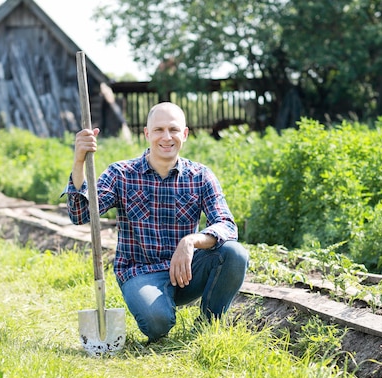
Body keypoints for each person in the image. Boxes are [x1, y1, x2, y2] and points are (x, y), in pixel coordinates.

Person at [64, 102, 249, 342]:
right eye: (159, 129)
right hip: (140, 272)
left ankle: (208, 326)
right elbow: (80, 214)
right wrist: (79, 161)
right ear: (147, 133)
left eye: (173, 129)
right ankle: (158, 310)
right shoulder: (121, 174)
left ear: (184, 134)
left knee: (234, 253)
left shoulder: (200, 176)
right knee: (157, 322)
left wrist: (191, 241)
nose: (166, 137)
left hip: (185, 272)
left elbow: (227, 225)